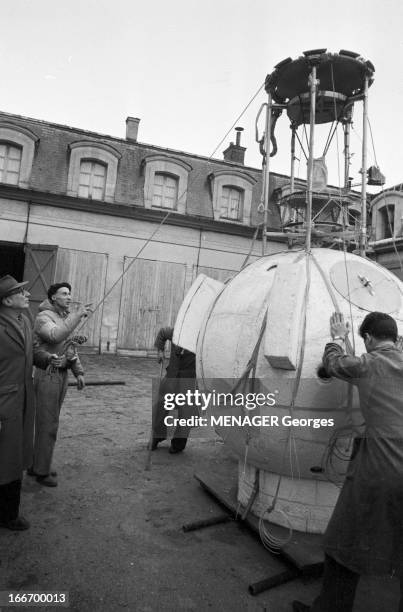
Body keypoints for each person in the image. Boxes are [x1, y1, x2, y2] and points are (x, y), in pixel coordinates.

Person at [293, 311, 403, 612]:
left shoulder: (370, 364)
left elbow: (334, 364)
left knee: (343, 543)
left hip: (383, 466)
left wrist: (337, 338)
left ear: (367, 338)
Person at [0, 275, 50, 530]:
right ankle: (7, 515)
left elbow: (32, 352)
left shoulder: (24, 319)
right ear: (8, 300)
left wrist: (48, 359)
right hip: (4, 404)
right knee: (5, 460)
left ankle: (9, 512)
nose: (28, 295)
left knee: (15, 458)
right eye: (22, 292)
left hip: (23, 400)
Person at [30, 282, 91, 487]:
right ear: (53, 297)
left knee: (50, 422)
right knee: (48, 424)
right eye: (64, 294)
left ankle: (39, 463)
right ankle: (40, 471)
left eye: (70, 293)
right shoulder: (43, 318)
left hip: (61, 374)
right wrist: (77, 315)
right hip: (47, 374)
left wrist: (78, 372)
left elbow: (69, 348)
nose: (69, 297)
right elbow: (56, 336)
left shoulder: (64, 317)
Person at [150, 326, 197, 454]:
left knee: (186, 412)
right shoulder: (178, 331)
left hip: (189, 379)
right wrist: (160, 351)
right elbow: (162, 333)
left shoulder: (201, 336)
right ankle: (157, 436)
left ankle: (178, 444)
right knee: (160, 405)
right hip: (172, 375)